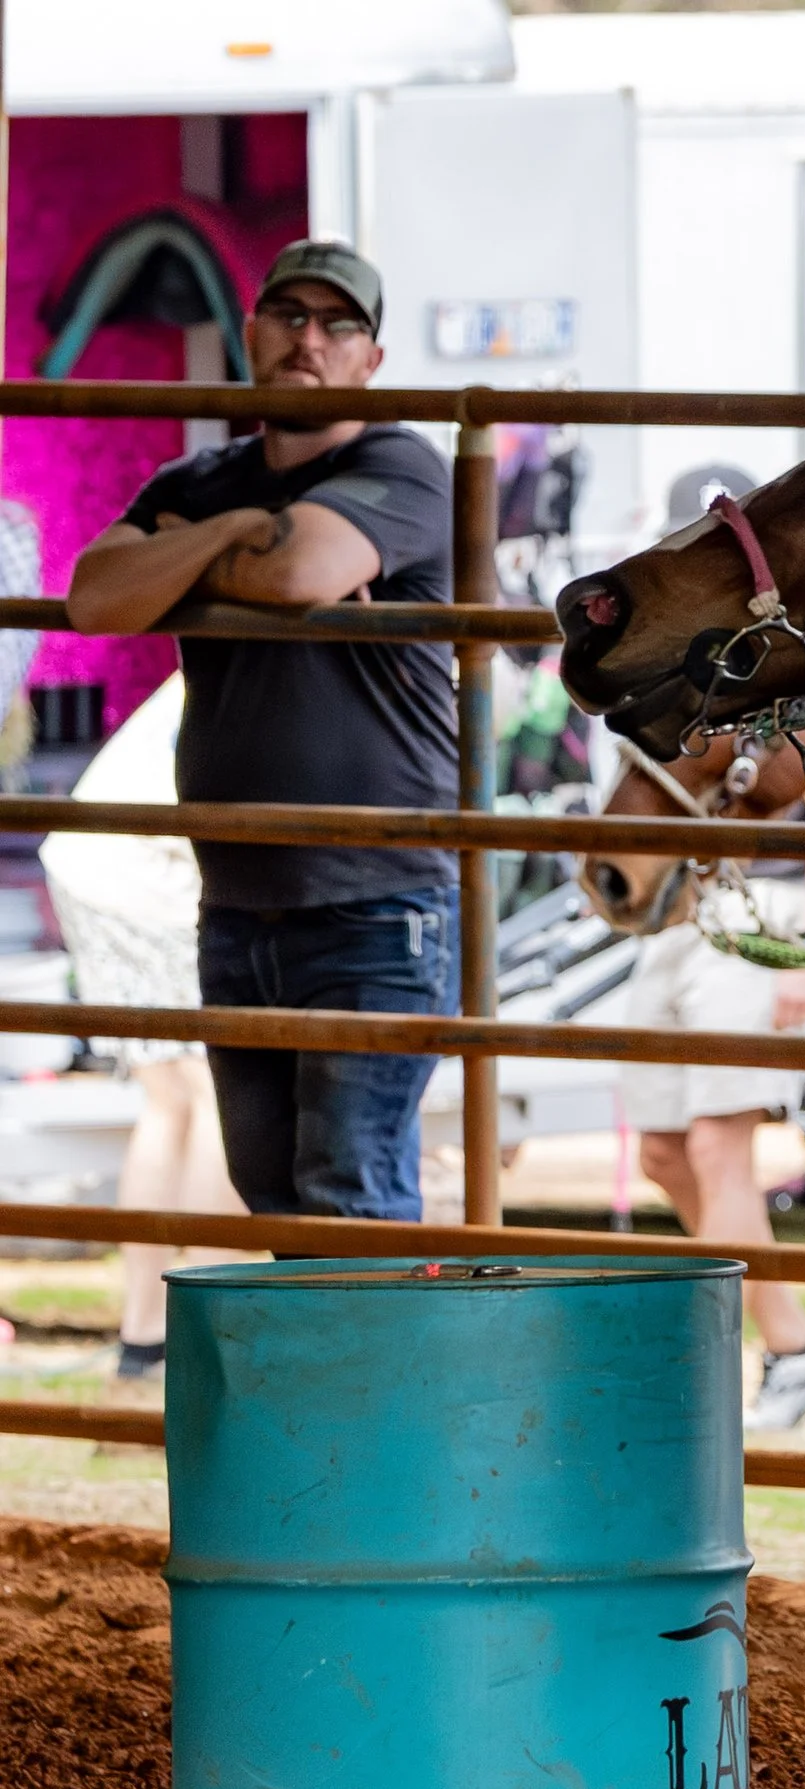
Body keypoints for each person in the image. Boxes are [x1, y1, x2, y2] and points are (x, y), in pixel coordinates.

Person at [65, 242, 454, 1221]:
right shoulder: (206, 477)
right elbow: (95, 595)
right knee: (274, 1197)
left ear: (371, 357)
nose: (308, 340)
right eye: (288, 315)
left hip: (375, 906)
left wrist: (194, 556)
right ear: (251, 335)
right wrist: (244, 527)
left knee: (349, 1197)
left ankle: (381, 1381)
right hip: (237, 902)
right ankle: (335, 1379)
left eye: (338, 324)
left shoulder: (398, 463)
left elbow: (297, 572)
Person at [615, 732, 805, 1432]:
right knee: (660, 1154)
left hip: (764, 914)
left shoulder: (765, 695)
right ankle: (796, 1341)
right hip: (683, 918)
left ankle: (720, 1372)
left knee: (718, 1151)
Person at [38, 673, 248, 1378]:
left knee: (175, 1096)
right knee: (214, 1087)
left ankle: (149, 1332)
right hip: (141, 870)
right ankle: (204, 1332)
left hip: (102, 859)